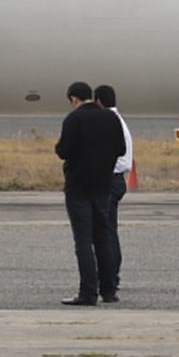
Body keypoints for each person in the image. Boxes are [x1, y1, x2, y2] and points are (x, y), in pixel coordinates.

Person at [55, 81, 126, 306]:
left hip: (78, 188)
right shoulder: (111, 118)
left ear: (74, 99)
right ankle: (109, 290)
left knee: (83, 241)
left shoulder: (73, 119)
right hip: (103, 186)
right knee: (103, 237)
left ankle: (88, 292)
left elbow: (63, 151)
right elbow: (121, 149)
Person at [94, 84, 133, 296]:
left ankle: (110, 278)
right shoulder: (117, 120)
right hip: (115, 179)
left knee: (106, 233)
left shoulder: (110, 122)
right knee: (108, 231)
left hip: (110, 180)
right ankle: (110, 277)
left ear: (98, 101)